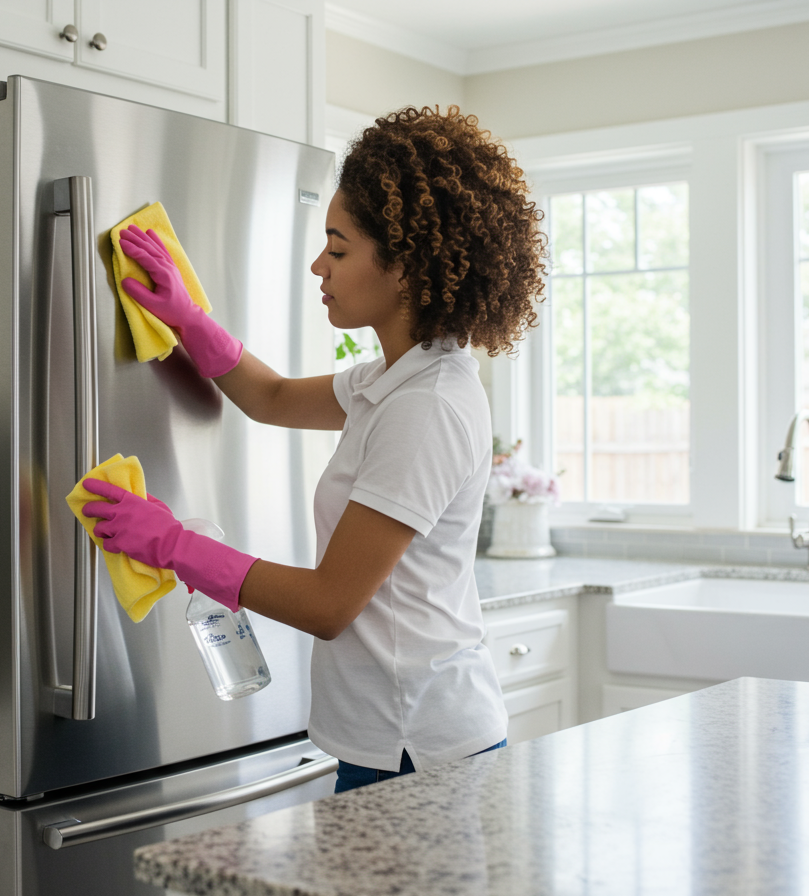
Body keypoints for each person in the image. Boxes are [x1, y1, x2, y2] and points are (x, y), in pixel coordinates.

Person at [81, 105, 547, 792]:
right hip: (390, 735)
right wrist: (187, 318)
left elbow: (330, 604)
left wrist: (176, 546)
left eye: (338, 247)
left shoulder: (428, 406)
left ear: (406, 265)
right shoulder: (395, 378)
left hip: (420, 748)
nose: (317, 265)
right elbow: (270, 398)